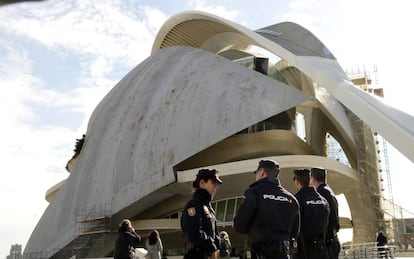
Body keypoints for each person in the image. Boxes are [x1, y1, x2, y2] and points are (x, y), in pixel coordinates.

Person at [234, 160, 300, 259]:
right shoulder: (292, 199)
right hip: (283, 252)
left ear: (262, 172)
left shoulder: (254, 193)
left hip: (260, 251)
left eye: (257, 173)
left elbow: (240, 225)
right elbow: (295, 231)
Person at [181, 169, 223, 259]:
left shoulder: (208, 206)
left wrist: (217, 247)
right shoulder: (193, 205)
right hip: (196, 255)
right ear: (202, 183)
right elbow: (194, 232)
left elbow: (214, 232)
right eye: (213, 183)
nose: (216, 187)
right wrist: (212, 246)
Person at [293, 168, 330, 259]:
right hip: (321, 250)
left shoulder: (296, 200)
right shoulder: (323, 200)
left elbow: (292, 225)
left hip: (304, 251)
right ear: (310, 181)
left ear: (297, 182)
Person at [310, 167, 341, 259]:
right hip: (333, 238)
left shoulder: (320, 194)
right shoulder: (330, 192)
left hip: (326, 240)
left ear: (312, 178)